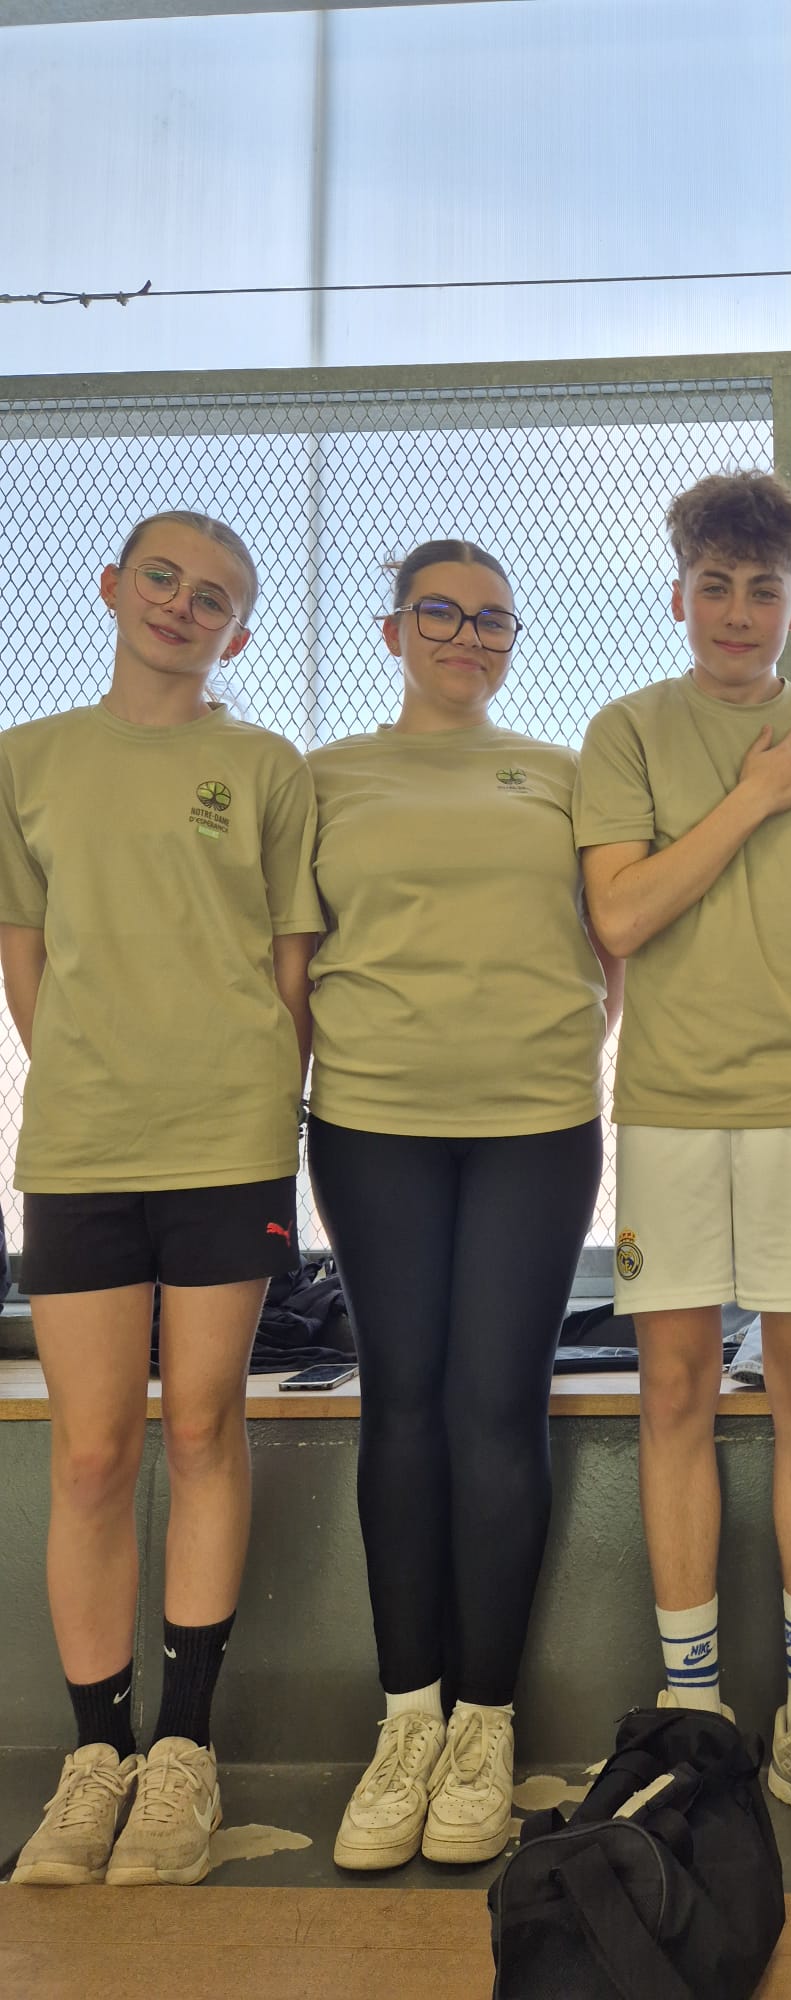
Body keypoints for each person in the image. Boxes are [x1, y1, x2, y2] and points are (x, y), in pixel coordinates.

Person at [575, 471, 791, 1864]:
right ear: (679, 595)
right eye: (714, 584)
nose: (737, 609)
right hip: (666, 1109)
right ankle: (695, 1710)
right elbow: (623, 913)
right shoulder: (627, 729)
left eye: (763, 587)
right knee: (674, 1390)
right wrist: (756, 795)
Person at [0, 511, 320, 1885]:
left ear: (238, 636)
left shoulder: (264, 767)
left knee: (201, 1425)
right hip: (80, 1146)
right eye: (164, 579)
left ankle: (183, 1754)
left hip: (228, 1139)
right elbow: (24, 956)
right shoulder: (28, 760)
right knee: (89, 1455)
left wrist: (250, 1090)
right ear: (112, 583)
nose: (184, 605)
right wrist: (88, 1074)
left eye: (215, 598)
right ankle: (96, 1759)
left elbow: (292, 967)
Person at [306, 538, 617, 1870]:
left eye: (493, 619)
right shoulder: (325, 777)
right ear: (393, 630)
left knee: (499, 1404)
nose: (467, 635)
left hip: (535, 1126)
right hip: (369, 1120)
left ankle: (484, 1726)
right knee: (403, 1398)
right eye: (440, 611)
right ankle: (408, 1721)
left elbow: (612, 943)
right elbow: (293, 956)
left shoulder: (561, 773)